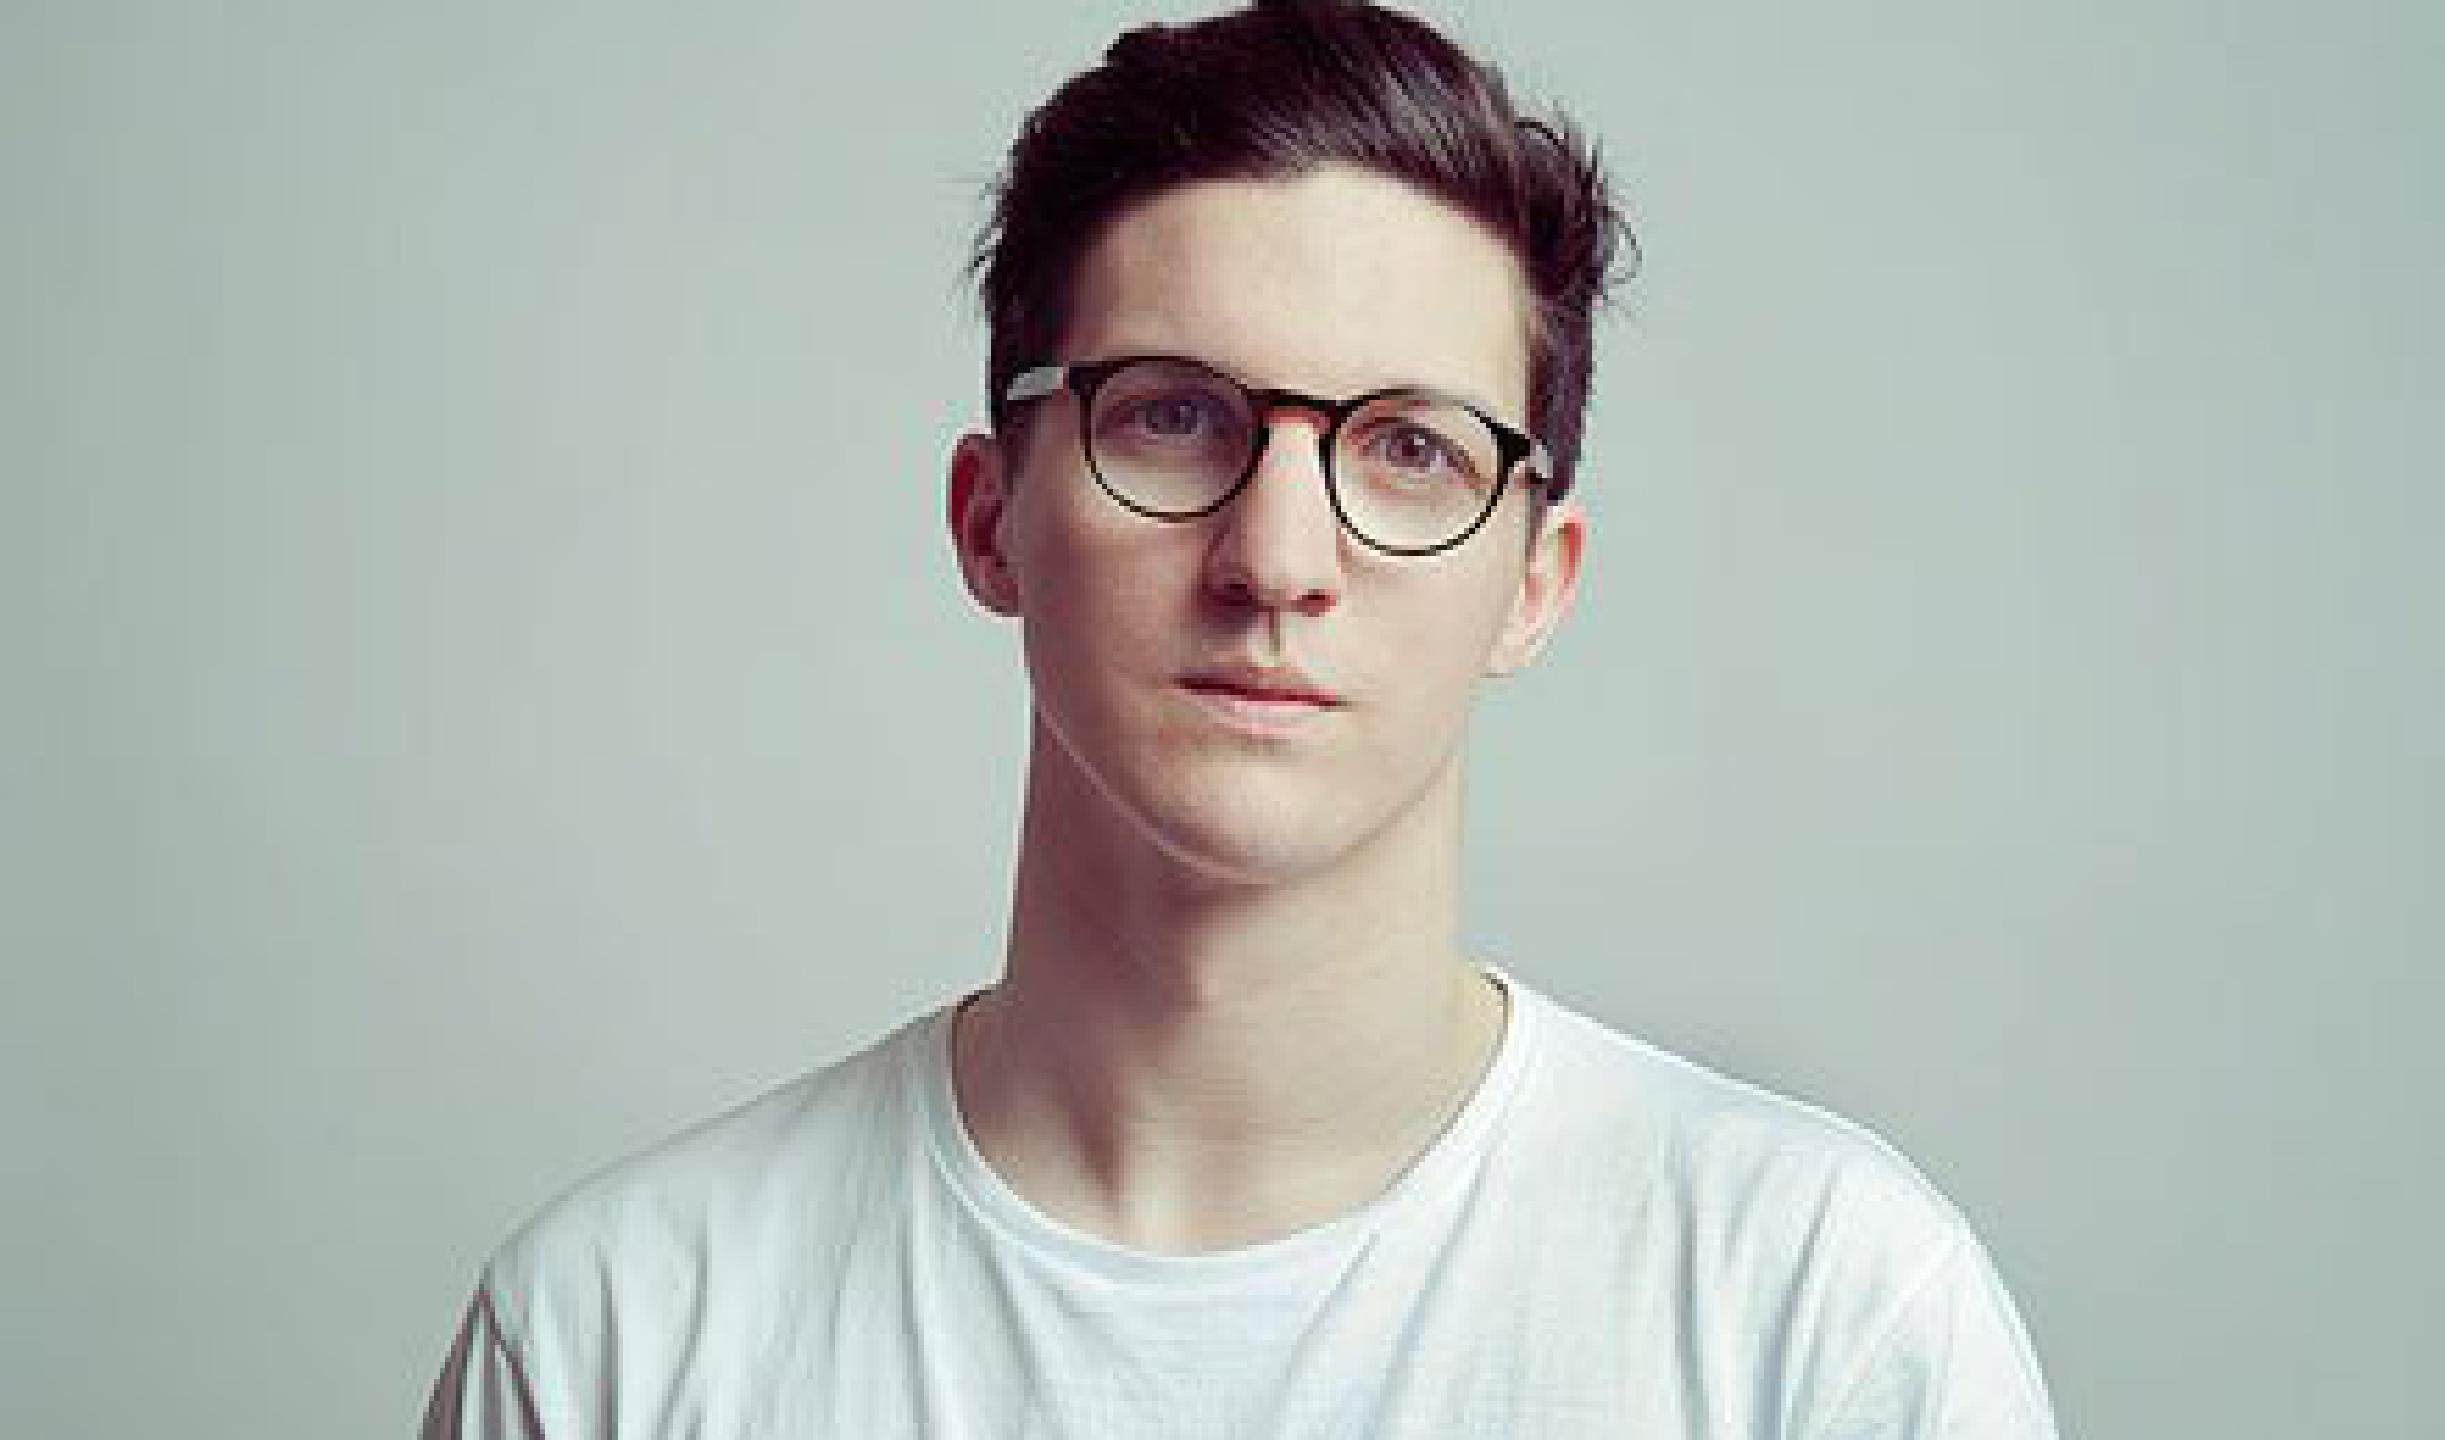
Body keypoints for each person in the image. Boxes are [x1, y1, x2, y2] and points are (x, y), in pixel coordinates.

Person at [421, 2, 2061, 1435]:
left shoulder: (1825, 1315)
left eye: (1410, 449)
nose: (1277, 560)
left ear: (1535, 582)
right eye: (1174, 417)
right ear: (990, 520)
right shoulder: (614, 1335)